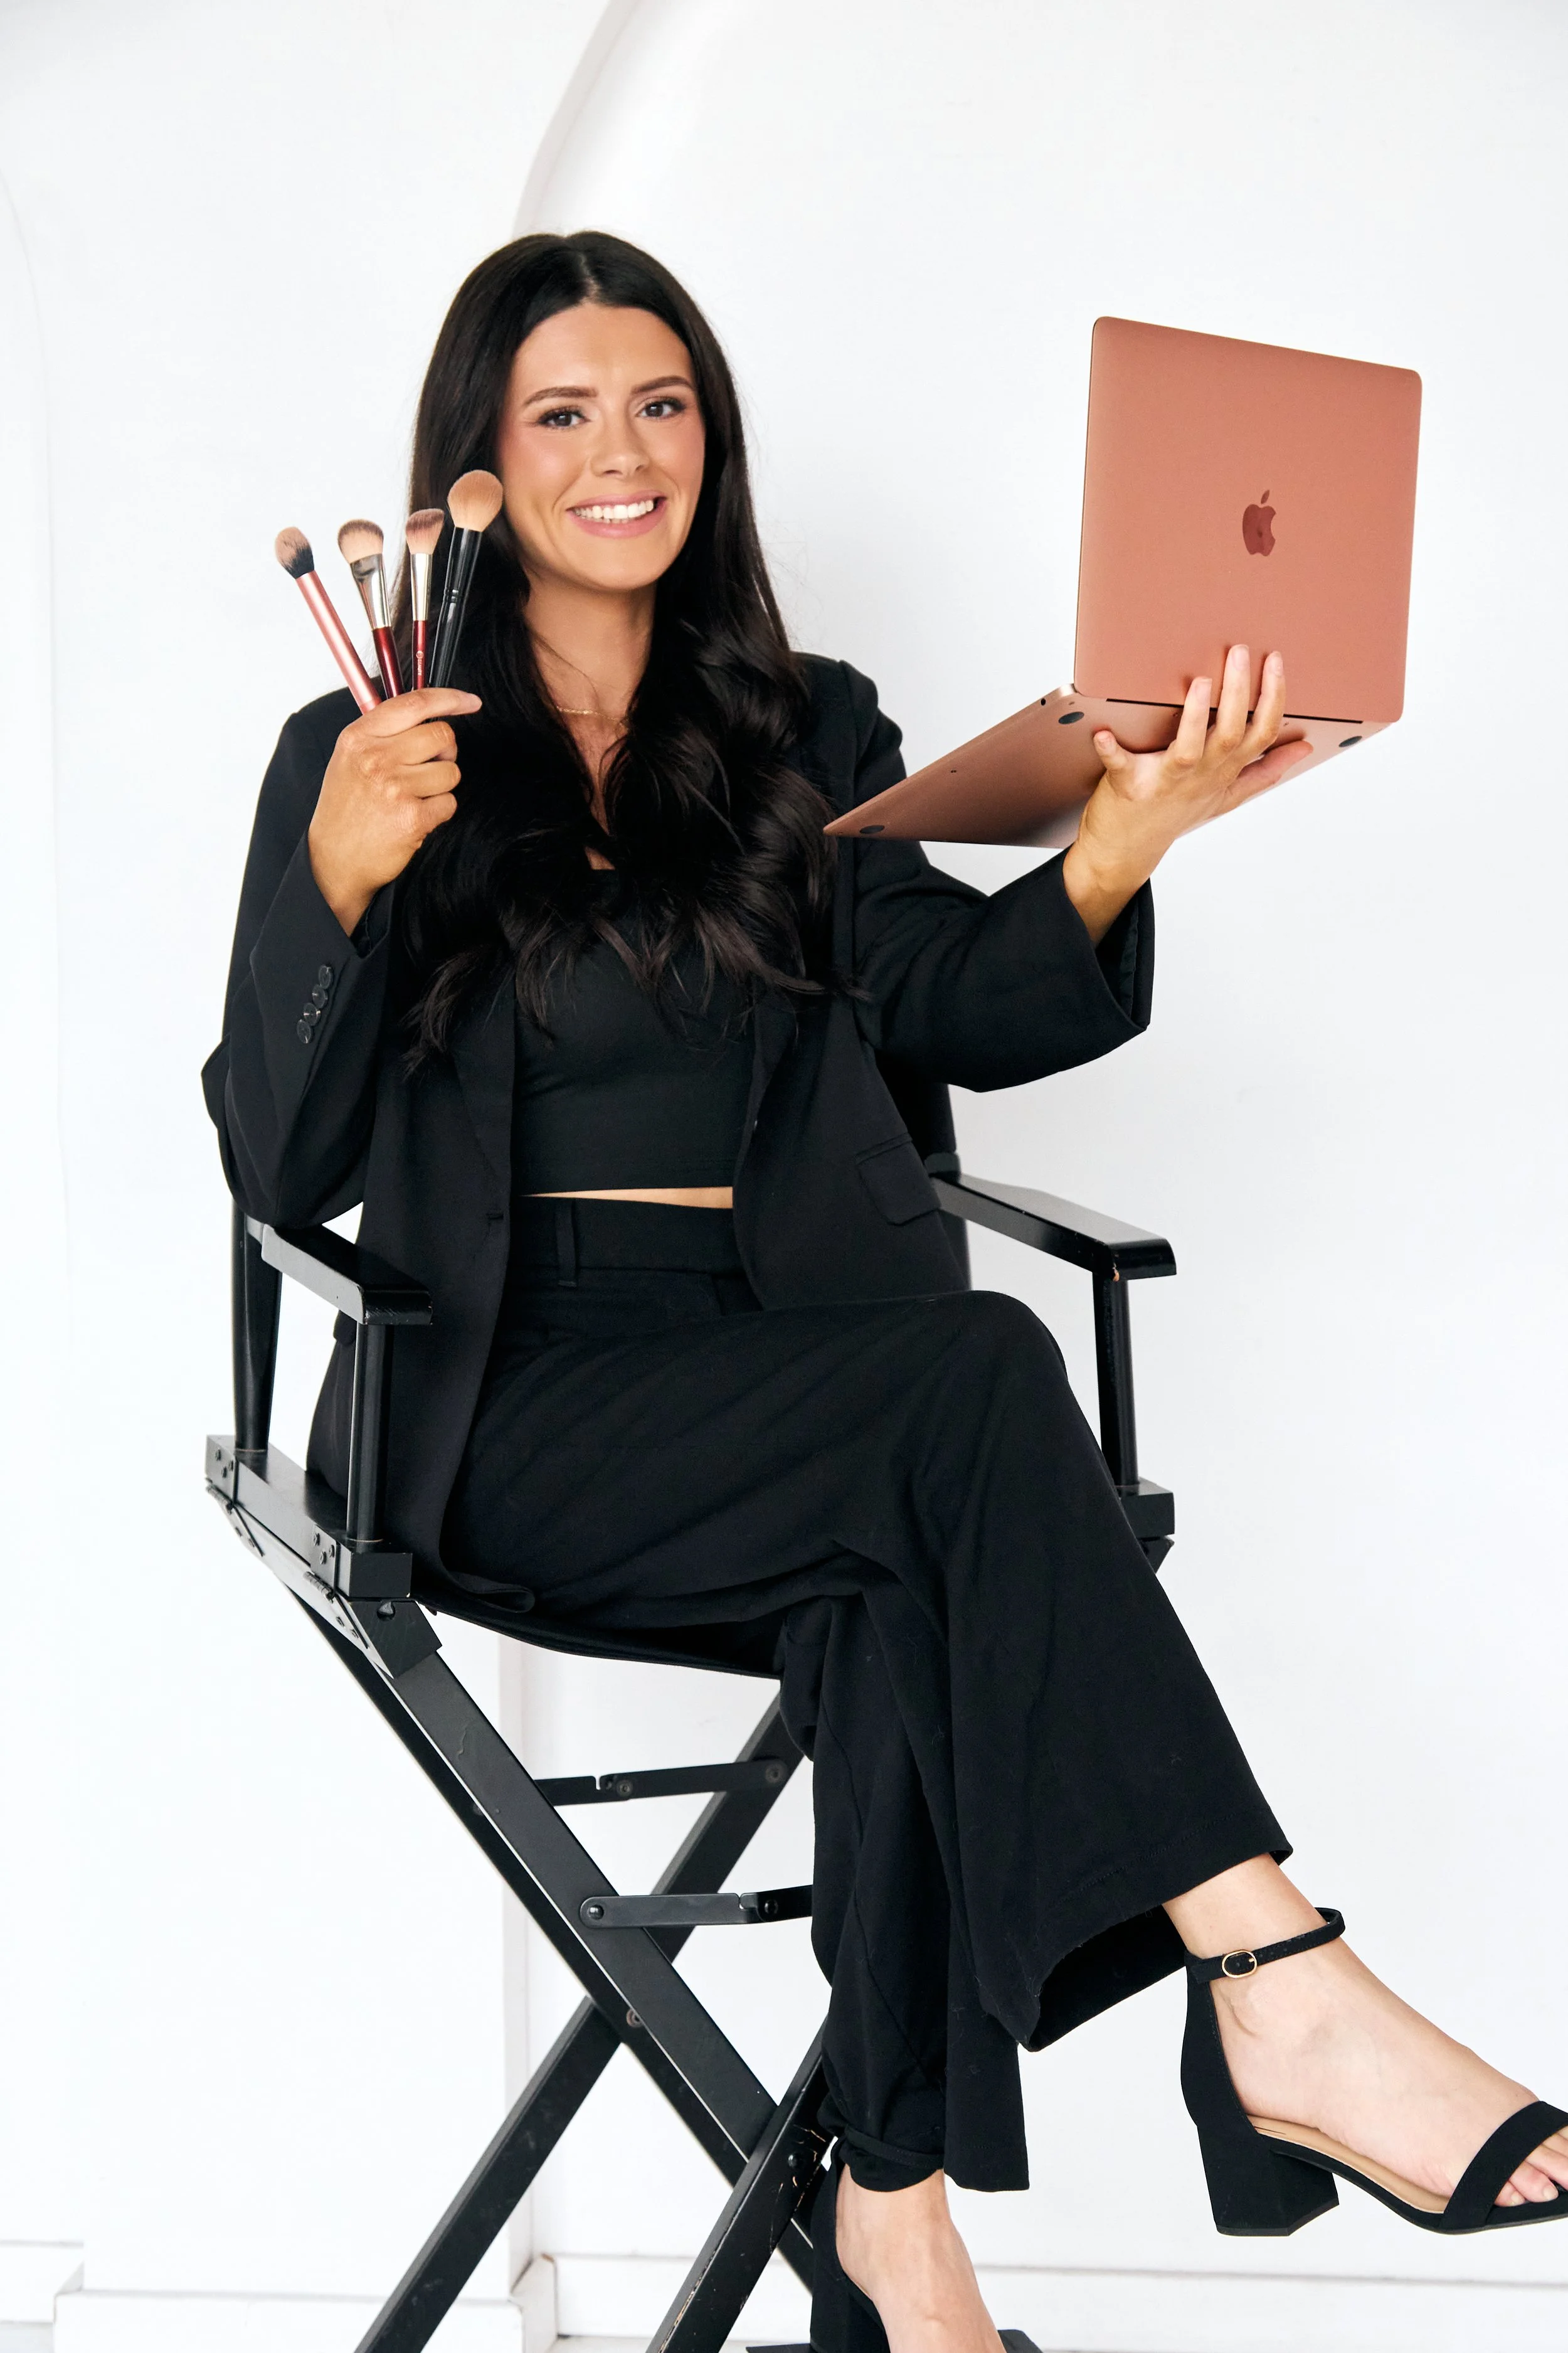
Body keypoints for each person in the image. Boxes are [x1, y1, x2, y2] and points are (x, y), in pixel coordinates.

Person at [204, 232, 1567, 2353]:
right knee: (965, 1390)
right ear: (478, 454)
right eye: (562, 413)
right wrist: (339, 878)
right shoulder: (366, 739)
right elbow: (278, 1160)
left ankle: (898, 2244)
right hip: (511, 1405)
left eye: (661, 403)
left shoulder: (803, 727)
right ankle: (1275, 1979)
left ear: (710, 440)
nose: (623, 451)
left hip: (793, 1391)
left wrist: (1121, 843)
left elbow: (947, 988)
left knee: (895, 1583)